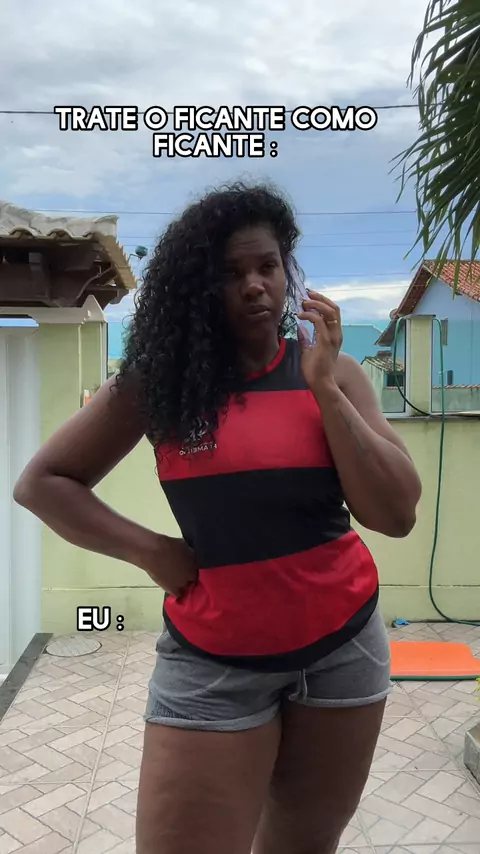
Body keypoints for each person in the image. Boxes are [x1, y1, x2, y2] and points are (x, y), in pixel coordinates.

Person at [14, 182, 422, 854]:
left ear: (287, 271)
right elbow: (44, 484)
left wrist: (324, 388)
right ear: (200, 287)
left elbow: (396, 513)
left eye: (267, 266)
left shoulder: (335, 373)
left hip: (342, 650)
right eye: (231, 273)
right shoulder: (160, 385)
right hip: (214, 663)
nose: (255, 285)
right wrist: (151, 551)